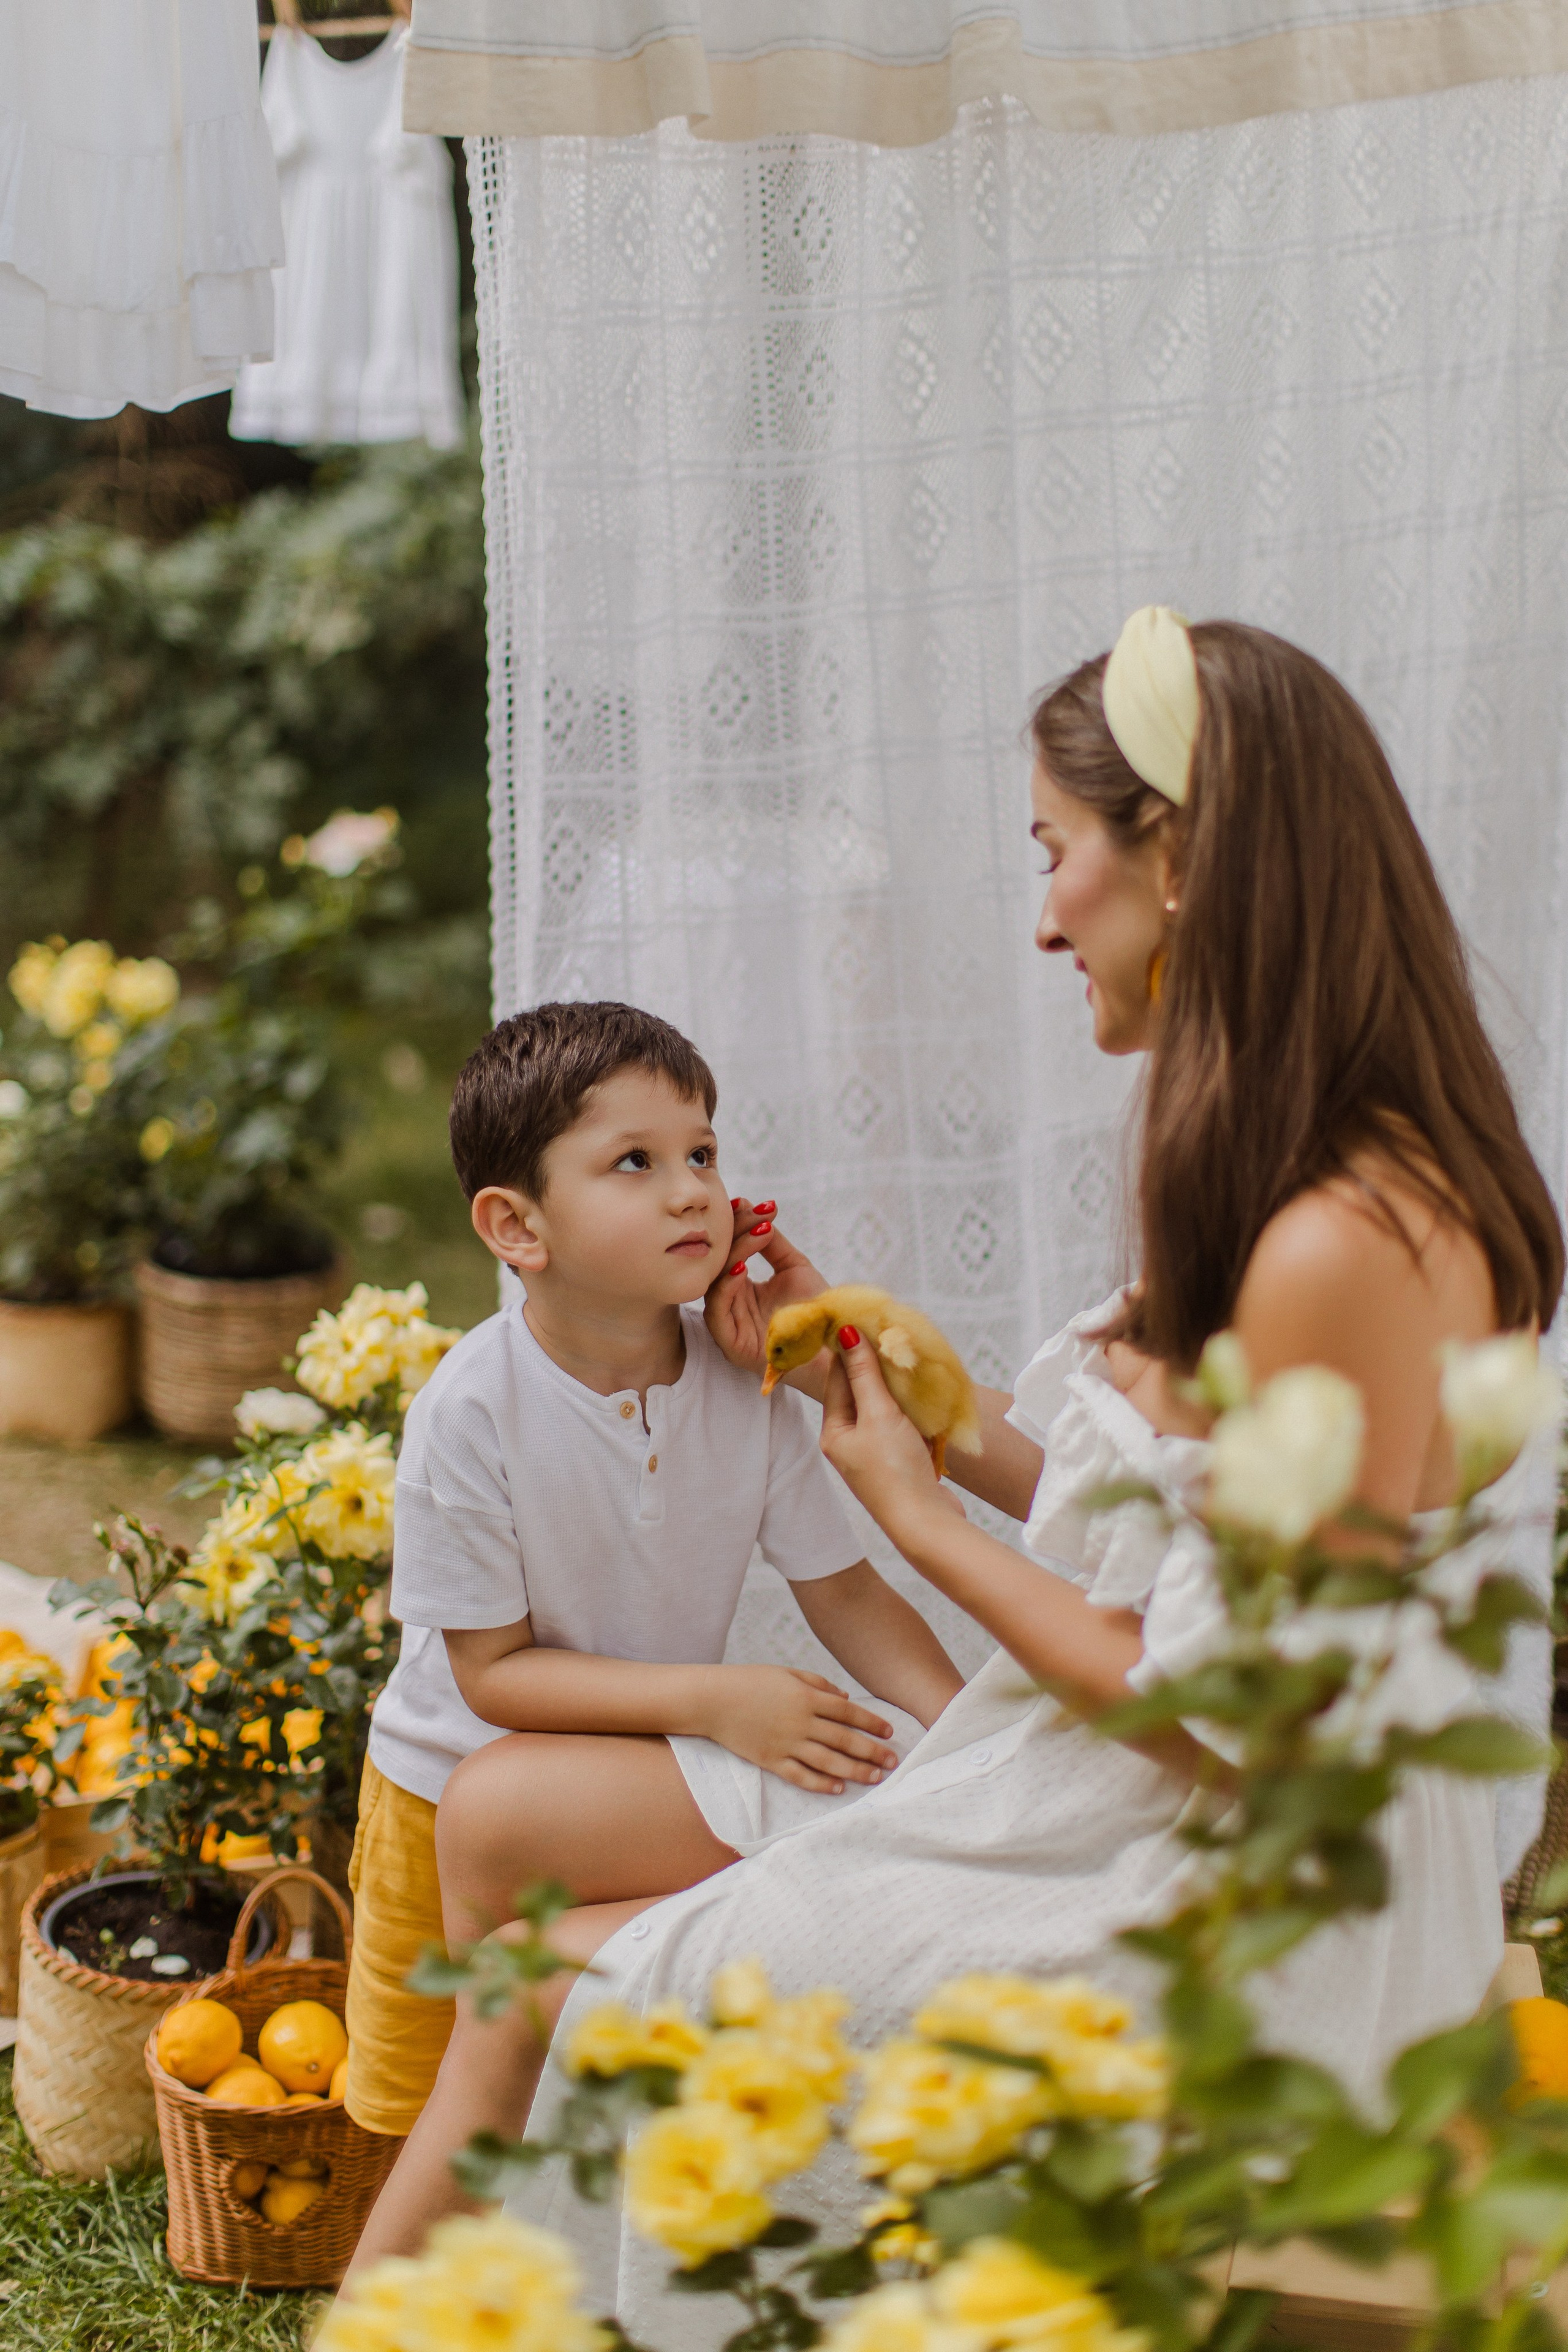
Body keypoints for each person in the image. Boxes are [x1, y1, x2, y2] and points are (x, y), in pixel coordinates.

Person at [347, 612, 1564, 2332]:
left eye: (1056, 851)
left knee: (561, 1983)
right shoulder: (1318, 1173)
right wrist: (895, 1384)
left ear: (1182, 861)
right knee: (535, 1930)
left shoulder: (1333, 1237)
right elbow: (1183, 1538)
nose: (1045, 914)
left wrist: (915, 1518)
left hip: (1245, 1898)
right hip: (1160, 1813)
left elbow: (1240, 1712)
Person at [344, 1000, 962, 2253]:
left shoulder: (747, 1384)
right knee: (424, 2106)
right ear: (517, 1227)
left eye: (703, 1153)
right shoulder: (471, 1409)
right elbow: (494, 1676)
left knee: (552, 2065)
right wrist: (718, 1699)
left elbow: (844, 1592)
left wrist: (963, 1739)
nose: (693, 1192)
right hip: (442, 1783)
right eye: (635, 1161)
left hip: (618, 1795)